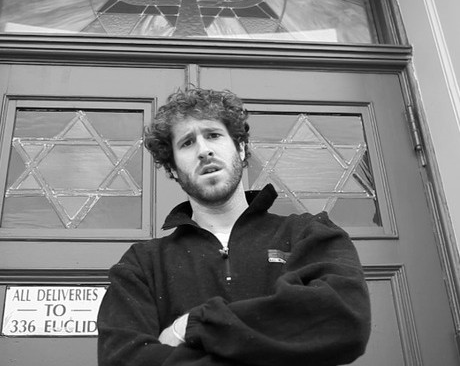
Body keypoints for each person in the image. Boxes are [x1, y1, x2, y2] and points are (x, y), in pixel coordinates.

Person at [97, 88, 371, 366]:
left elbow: (345, 322)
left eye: (213, 135)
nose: (204, 151)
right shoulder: (142, 265)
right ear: (173, 169)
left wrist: (194, 325)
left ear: (240, 149)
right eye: (187, 143)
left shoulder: (309, 234)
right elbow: (124, 359)